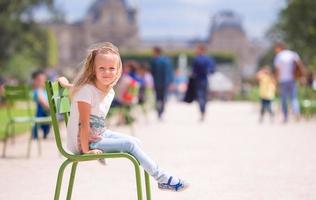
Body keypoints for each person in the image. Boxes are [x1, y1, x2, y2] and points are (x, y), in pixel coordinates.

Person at [60, 42, 188, 192]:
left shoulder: (105, 90)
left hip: (98, 134)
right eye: (101, 68)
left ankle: (161, 178)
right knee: (130, 145)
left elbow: (77, 88)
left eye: (111, 68)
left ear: (118, 70)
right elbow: (83, 122)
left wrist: (65, 83)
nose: (107, 72)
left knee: (135, 141)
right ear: (93, 70)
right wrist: (86, 151)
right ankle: (162, 178)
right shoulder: (86, 91)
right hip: (84, 142)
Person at [274, 42, 305, 122]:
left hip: (283, 80)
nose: (275, 50)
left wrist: (276, 81)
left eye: (276, 48)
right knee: (294, 98)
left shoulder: (279, 56)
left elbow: (278, 70)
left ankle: (286, 117)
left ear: (280, 47)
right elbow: (300, 66)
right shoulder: (293, 54)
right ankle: (296, 113)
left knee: (283, 99)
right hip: (292, 79)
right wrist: (301, 77)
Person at [192, 44, 216, 121]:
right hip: (205, 80)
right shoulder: (209, 59)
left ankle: (202, 111)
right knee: (204, 97)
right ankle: (203, 111)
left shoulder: (197, 59)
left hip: (198, 80)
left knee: (200, 97)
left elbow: (194, 72)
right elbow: (212, 71)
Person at [150, 47, 174, 120]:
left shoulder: (154, 61)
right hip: (165, 82)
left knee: (158, 98)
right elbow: (170, 72)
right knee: (163, 98)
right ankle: (161, 111)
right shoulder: (167, 60)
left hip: (157, 82)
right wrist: (171, 82)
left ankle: (159, 112)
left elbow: (152, 73)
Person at [31, 70, 51, 139]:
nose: (42, 82)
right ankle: (37, 133)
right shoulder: (37, 91)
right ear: (35, 81)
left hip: (46, 113)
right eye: (39, 80)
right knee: (41, 109)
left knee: (46, 112)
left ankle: (45, 133)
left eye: (43, 80)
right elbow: (43, 102)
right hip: (42, 113)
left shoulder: (44, 91)